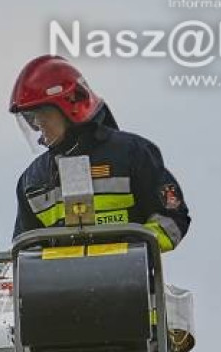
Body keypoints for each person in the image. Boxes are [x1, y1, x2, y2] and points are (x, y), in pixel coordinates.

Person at [10, 55, 190, 251]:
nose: (37, 124)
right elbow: (25, 250)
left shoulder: (133, 154)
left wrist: (135, 249)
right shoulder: (32, 181)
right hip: (64, 281)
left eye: (42, 114)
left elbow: (172, 219)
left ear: (70, 105)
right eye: (30, 117)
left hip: (130, 279)